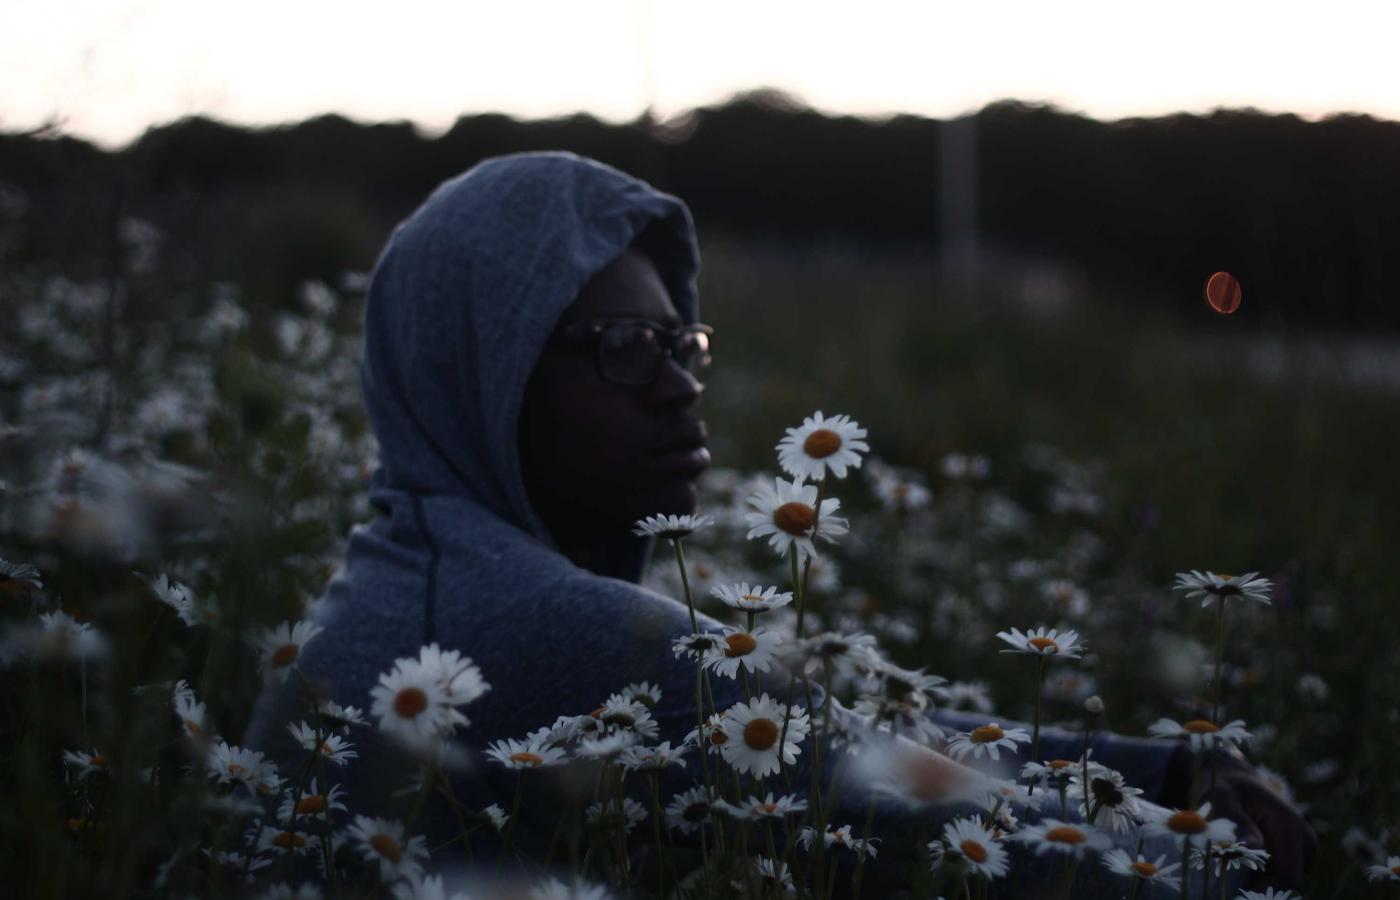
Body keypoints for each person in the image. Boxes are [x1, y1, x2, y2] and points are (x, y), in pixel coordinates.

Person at [244, 151, 1311, 896]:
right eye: (625, 348)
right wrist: (1214, 860)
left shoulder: (415, 572)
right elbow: (954, 832)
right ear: (484, 377)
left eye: (682, 345)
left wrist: (1157, 775)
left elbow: (846, 733)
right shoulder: (533, 627)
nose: (679, 388)